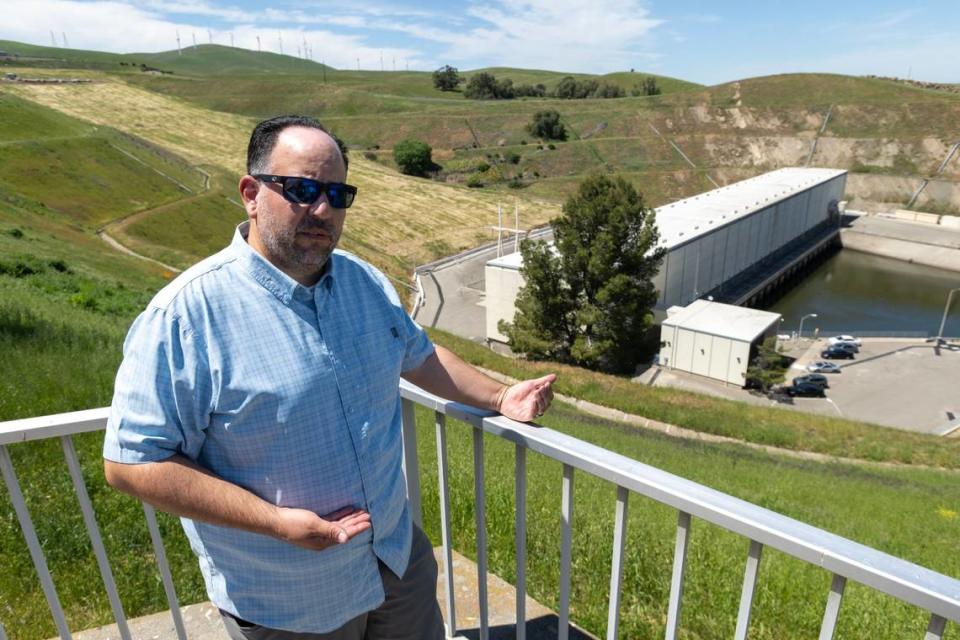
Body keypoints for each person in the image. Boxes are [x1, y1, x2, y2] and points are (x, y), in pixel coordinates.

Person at [102, 114, 555, 639]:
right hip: (290, 597)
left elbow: (419, 356)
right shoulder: (185, 316)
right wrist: (276, 524)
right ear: (251, 193)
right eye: (301, 190)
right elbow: (134, 463)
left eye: (337, 194)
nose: (322, 209)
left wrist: (501, 396)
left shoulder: (364, 282)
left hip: (393, 559)